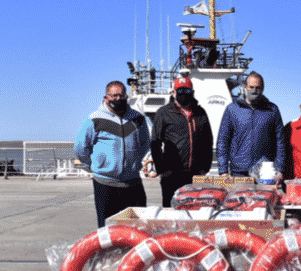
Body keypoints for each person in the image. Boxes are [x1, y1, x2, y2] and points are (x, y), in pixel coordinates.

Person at [74, 80, 151, 227]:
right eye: (114, 95)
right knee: (107, 228)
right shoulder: (93, 119)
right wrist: (96, 165)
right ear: (106, 97)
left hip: (132, 183)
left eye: (121, 95)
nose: (118, 99)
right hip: (105, 183)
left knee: (138, 227)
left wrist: (134, 163)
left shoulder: (137, 119)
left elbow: (144, 144)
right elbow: (80, 148)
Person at [150, 76, 214, 207]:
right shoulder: (164, 112)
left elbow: (208, 141)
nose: (184, 94)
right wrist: (162, 169)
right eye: (180, 91)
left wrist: (204, 168)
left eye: (187, 91)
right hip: (172, 175)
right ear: (174, 93)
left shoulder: (200, 113)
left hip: (195, 175)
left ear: (193, 92)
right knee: (171, 213)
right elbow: (155, 142)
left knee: (194, 211)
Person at [216, 71, 285, 180]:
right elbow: (223, 141)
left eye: (258, 88)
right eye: (251, 87)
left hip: (264, 172)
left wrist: (280, 170)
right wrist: (223, 171)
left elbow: (280, 142)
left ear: (263, 88)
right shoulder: (232, 109)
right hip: (238, 172)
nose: (254, 90)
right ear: (245, 87)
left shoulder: (272, 110)